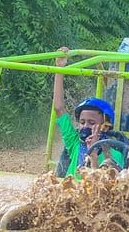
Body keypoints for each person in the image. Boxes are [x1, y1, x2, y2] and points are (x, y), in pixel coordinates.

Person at [52, 47, 125, 176]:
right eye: (82, 122)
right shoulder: (74, 142)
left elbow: (101, 189)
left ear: (106, 126)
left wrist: (94, 156)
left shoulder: (115, 155)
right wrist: (59, 68)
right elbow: (58, 108)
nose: (85, 126)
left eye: (91, 123)